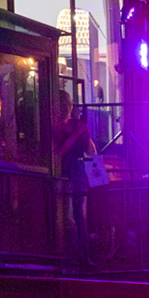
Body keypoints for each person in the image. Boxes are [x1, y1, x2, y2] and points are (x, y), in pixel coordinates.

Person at [53, 92, 97, 251]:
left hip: (76, 176)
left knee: (79, 217)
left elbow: (91, 150)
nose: (65, 108)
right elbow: (58, 154)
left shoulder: (75, 126)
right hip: (66, 176)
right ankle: (73, 254)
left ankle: (81, 254)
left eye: (67, 104)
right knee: (70, 217)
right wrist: (77, 134)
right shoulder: (56, 128)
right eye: (62, 104)